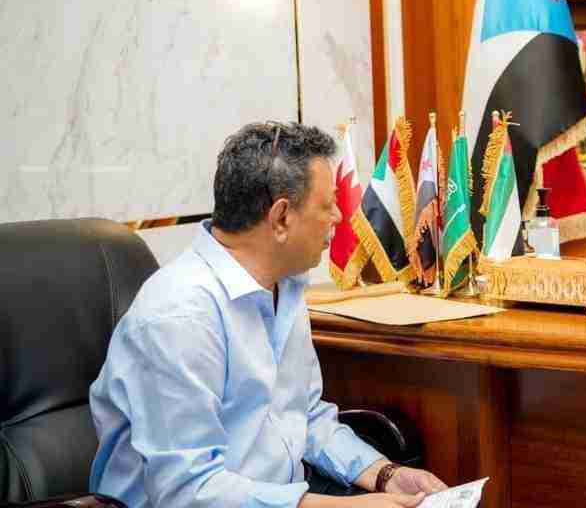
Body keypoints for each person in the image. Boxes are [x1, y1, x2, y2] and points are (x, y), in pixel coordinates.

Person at [89, 122, 448, 507]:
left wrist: (384, 475)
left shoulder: (285, 286)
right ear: (281, 218)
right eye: (327, 205)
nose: (339, 217)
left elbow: (305, 417)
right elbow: (187, 492)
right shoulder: (179, 315)